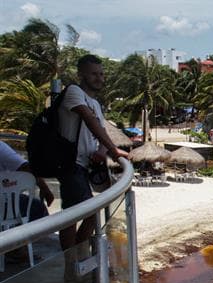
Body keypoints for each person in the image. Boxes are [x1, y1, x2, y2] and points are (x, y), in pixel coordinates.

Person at [57, 54, 129, 258]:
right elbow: (88, 119)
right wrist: (114, 151)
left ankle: (79, 256)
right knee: (72, 216)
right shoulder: (74, 92)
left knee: (90, 212)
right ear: (81, 74)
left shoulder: (96, 103)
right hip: (70, 164)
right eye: (94, 74)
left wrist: (102, 151)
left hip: (85, 165)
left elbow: (102, 130)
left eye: (101, 74)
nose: (99, 78)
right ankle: (71, 263)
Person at [0, 140, 53, 220]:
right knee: (37, 207)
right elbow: (25, 168)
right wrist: (45, 189)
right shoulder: (1, 147)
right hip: (3, 203)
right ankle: (42, 231)